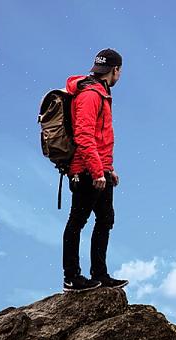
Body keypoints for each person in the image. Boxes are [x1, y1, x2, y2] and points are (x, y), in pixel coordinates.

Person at [62, 48, 129, 292]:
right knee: (77, 221)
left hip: (99, 169)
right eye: (120, 71)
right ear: (115, 70)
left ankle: (99, 274)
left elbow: (101, 138)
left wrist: (108, 169)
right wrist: (97, 171)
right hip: (86, 171)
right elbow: (84, 136)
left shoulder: (102, 92)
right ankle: (72, 278)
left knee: (105, 220)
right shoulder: (90, 95)